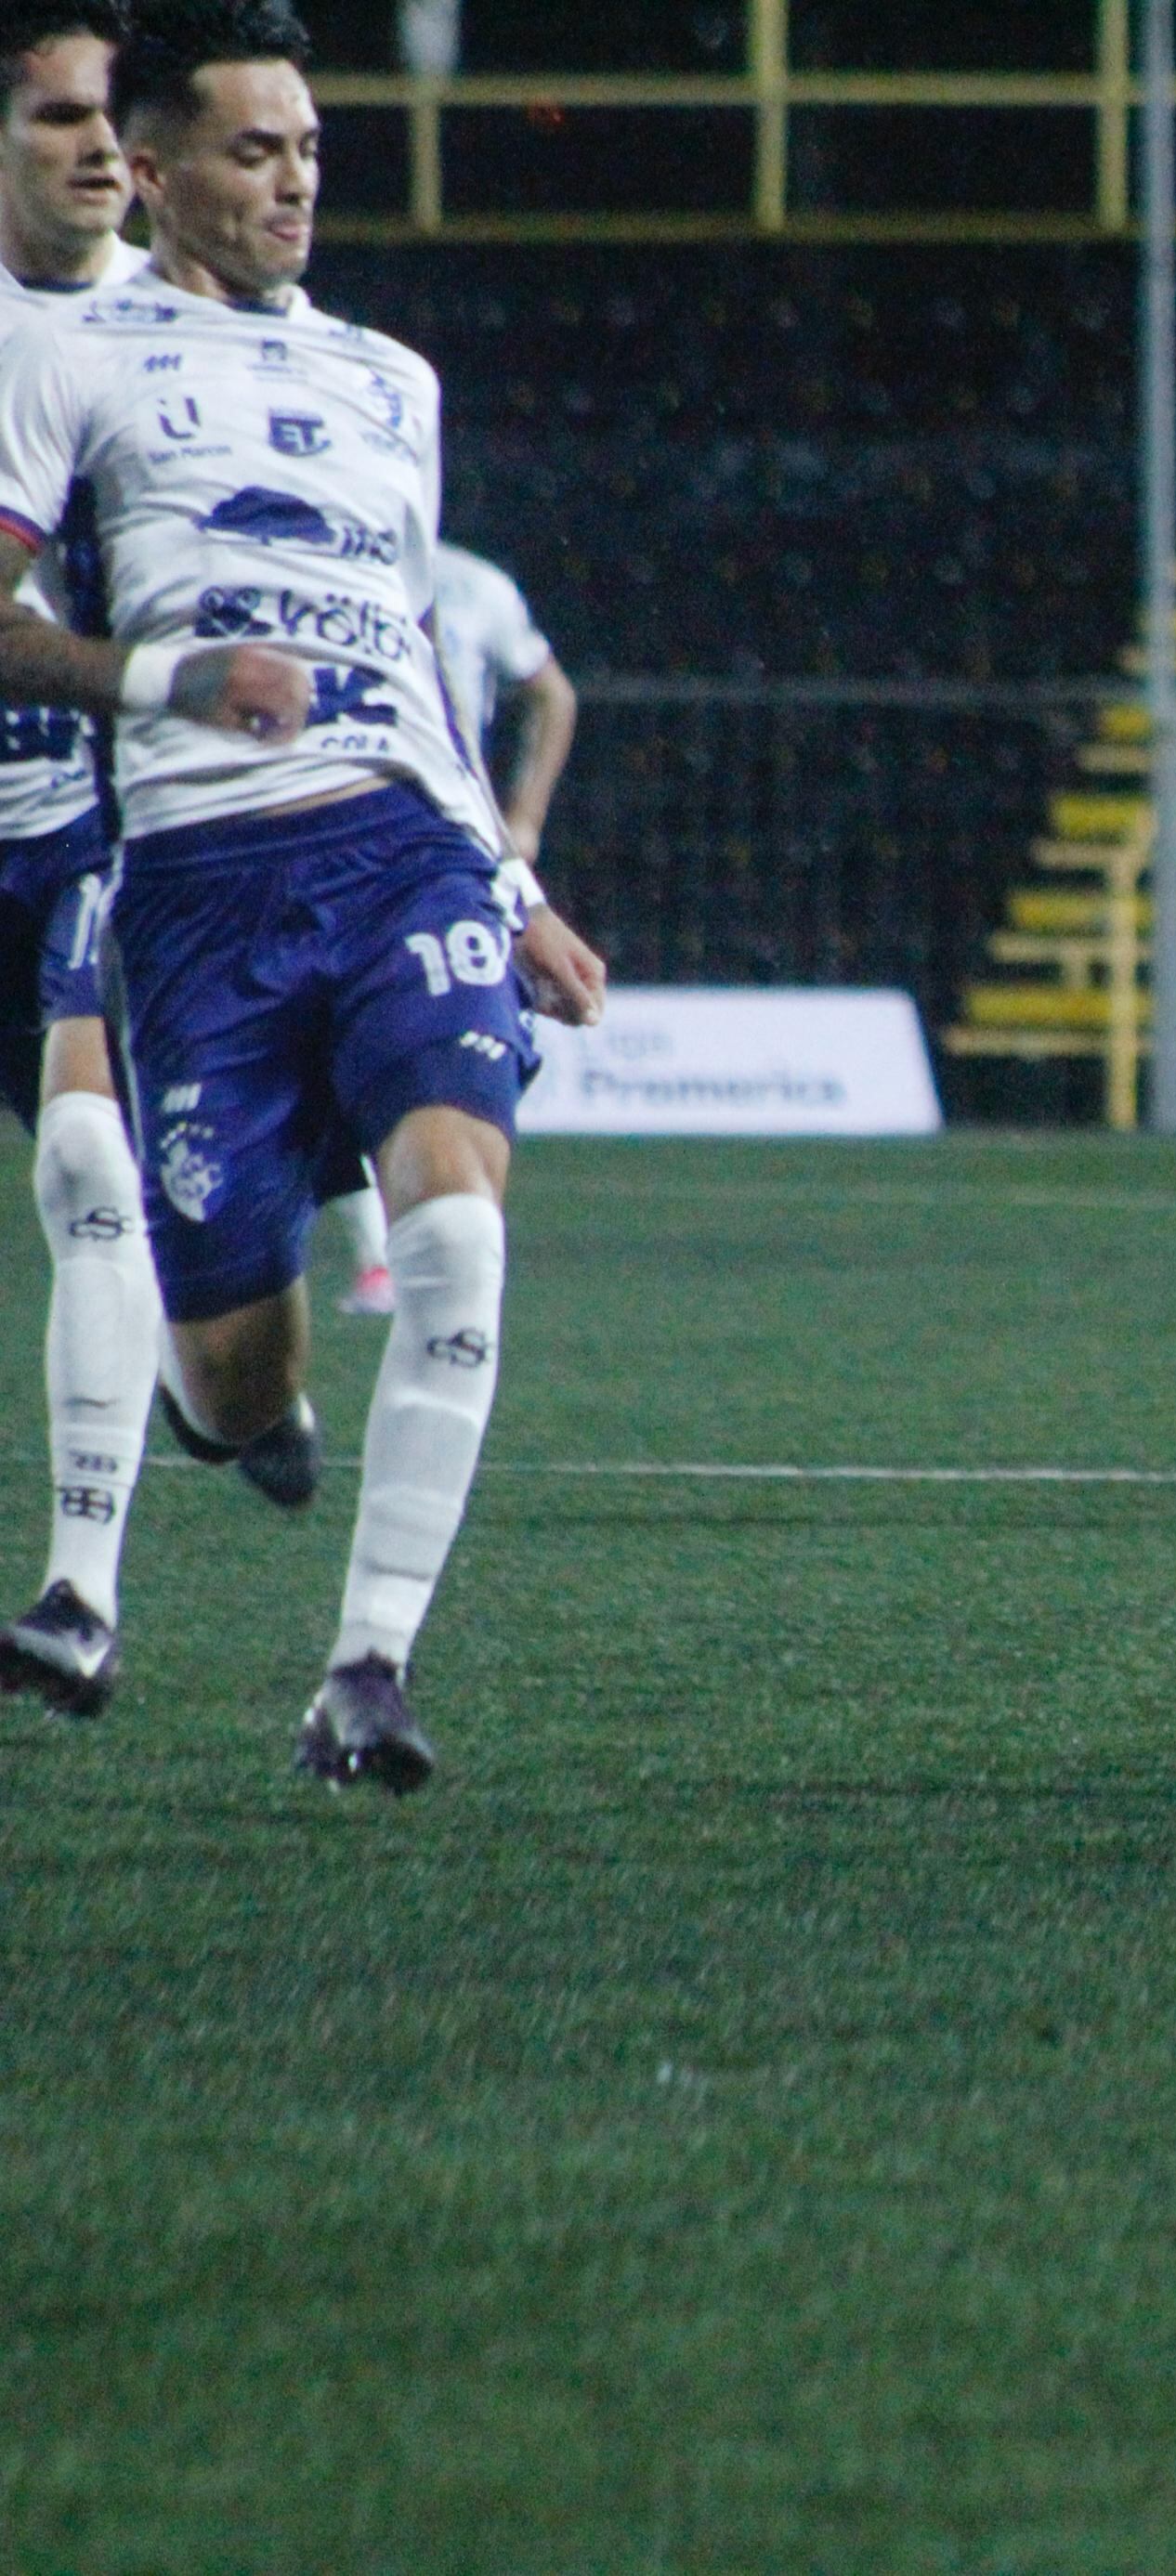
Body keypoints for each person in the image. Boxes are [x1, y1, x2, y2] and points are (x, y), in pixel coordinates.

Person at [0, 0, 607, 1790]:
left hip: (396, 847)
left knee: (461, 1223)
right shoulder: (72, 356)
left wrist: (510, 876)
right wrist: (175, 682)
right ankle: (219, 1403)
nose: (291, 184)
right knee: (237, 1376)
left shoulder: (390, 378)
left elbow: (418, 664)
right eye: (253, 151)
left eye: (311, 151)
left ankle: (368, 1669)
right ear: (167, 164)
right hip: (194, 884)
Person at [0, 0, 151, 1719]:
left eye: (115, 116)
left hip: (90, 830)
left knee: (87, 1170)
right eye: (56, 118)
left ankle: (78, 1593)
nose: (100, 145)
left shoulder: (170, 339)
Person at [326, 539, 570, 1317]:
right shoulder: (315, 560)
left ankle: (421, 1236)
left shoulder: (475, 583)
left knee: (437, 1047)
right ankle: (390, 1250)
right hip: (334, 831)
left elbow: (553, 694)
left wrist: (522, 822)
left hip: (452, 843)